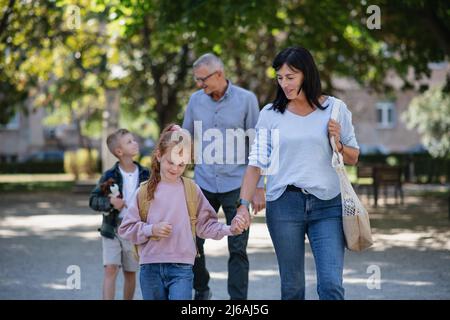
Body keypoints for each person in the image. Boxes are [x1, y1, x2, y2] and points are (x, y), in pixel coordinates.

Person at [236, 46, 360, 300]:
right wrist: (243, 205)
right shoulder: (271, 114)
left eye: (290, 77)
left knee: (331, 285)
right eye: (280, 78)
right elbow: (256, 163)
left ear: (306, 74)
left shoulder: (335, 109)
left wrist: (336, 143)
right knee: (292, 288)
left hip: (328, 205)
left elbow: (353, 157)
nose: (284, 83)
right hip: (284, 205)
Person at [118, 124, 245, 300]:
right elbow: (126, 229)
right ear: (159, 155)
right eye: (171, 162)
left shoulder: (192, 190)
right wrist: (151, 229)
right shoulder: (144, 191)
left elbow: (205, 225)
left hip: (182, 268)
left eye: (181, 164)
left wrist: (230, 229)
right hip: (150, 267)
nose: (175, 168)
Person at [182, 53, 265, 300]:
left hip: (237, 185)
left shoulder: (247, 100)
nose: (199, 85)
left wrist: (259, 186)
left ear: (219, 74)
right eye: (197, 80)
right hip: (204, 183)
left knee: (238, 248)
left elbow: (257, 144)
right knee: (192, 242)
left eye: (202, 79)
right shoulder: (195, 101)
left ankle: (237, 302)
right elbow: (185, 138)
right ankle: (202, 288)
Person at [89, 128, 150, 300]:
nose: (135, 143)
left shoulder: (146, 174)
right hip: (112, 229)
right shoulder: (109, 176)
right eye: (129, 141)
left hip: (134, 229)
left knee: (130, 272)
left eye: (134, 140)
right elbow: (93, 200)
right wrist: (110, 202)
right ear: (119, 151)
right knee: (110, 268)